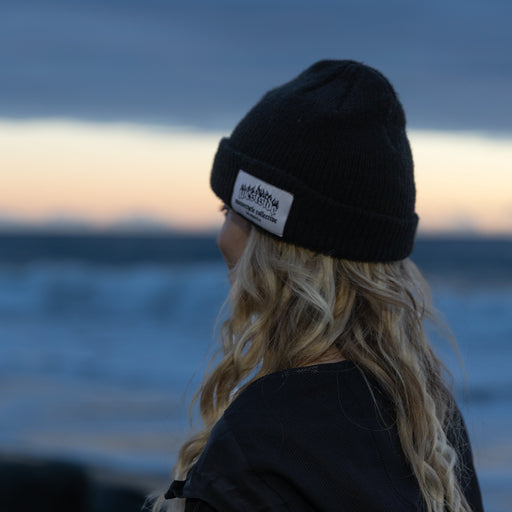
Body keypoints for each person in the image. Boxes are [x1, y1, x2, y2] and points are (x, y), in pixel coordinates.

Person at [156, 60, 484, 511]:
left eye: (228, 212)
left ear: (272, 247)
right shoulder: (429, 424)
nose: (221, 238)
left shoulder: (261, 441)